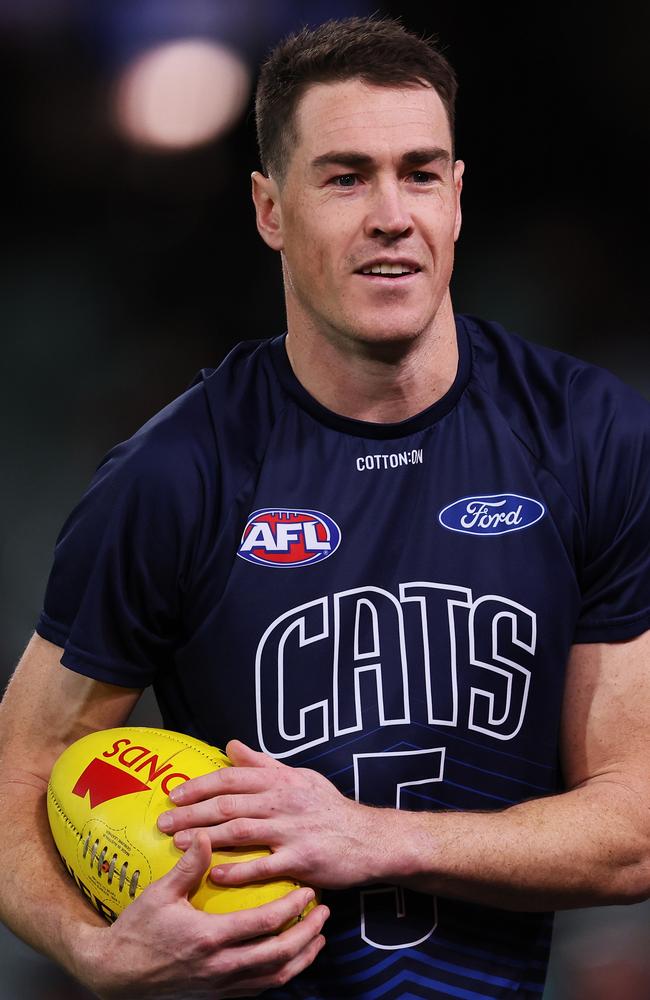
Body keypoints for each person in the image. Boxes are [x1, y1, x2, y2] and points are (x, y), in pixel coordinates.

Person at [1, 15, 650, 999]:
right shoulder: (175, 473)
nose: (391, 213)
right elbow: (18, 778)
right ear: (268, 208)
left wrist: (368, 838)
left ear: (459, 197)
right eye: (345, 177)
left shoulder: (587, 434)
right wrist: (90, 951)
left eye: (420, 173)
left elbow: (632, 830)